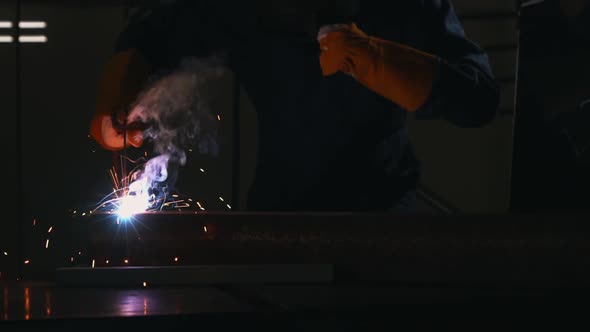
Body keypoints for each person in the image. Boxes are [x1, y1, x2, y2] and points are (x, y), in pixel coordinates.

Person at [90, 0, 500, 212]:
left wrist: (377, 59)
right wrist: (118, 93)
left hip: (383, 217)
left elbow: (478, 97)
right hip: (278, 219)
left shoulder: (403, 7)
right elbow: (154, 29)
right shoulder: (246, 11)